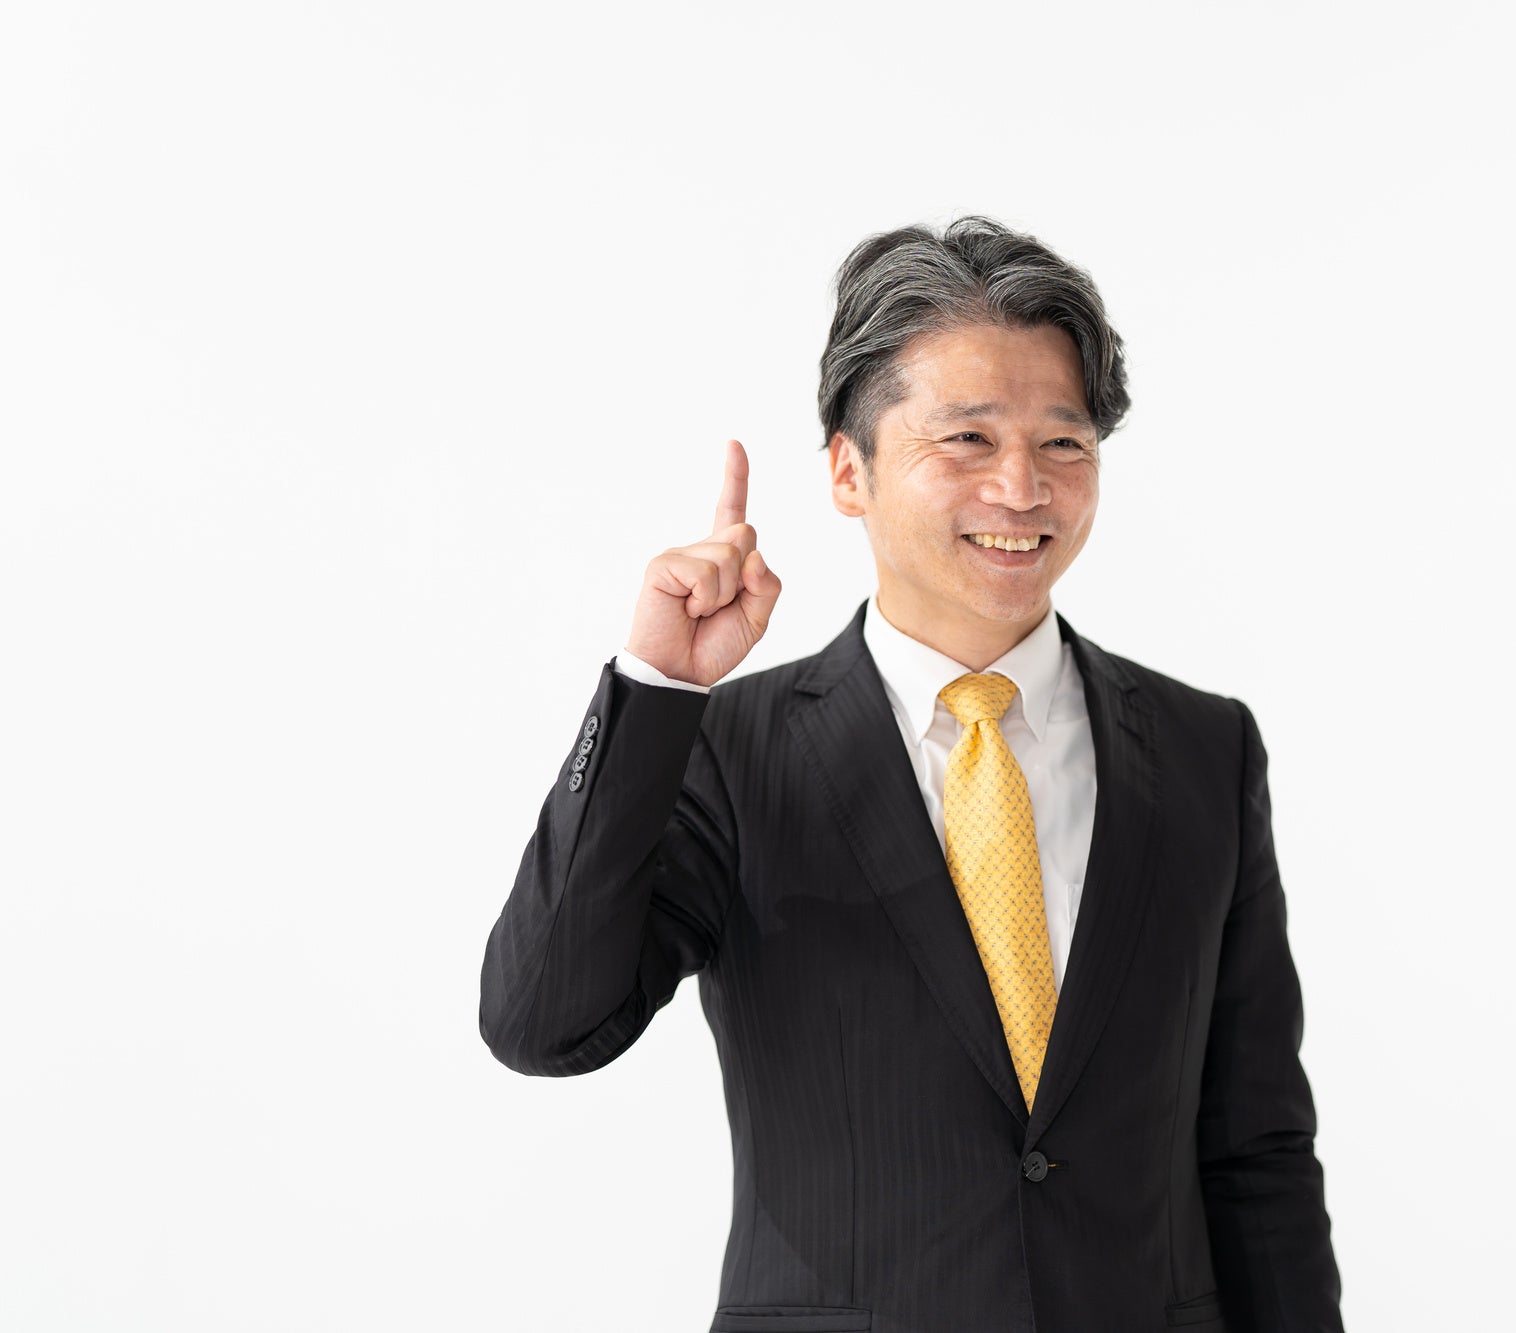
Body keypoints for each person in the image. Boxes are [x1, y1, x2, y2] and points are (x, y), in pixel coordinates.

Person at [478, 215, 1345, 1332]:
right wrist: (657, 687)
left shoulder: (1200, 748)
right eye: (968, 439)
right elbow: (541, 1023)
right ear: (850, 470)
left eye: (1064, 441)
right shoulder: (729, 751)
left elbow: (1256, 1147)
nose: (1023, 487)